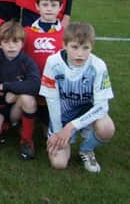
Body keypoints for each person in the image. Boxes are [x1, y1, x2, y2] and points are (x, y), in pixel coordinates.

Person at [40, 23, 115, 173]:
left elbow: (102, 106)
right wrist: (58, 131)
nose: (80, 54)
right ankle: (64, 139)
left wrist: (72, 126)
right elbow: (52, 99)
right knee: (59, 163)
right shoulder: (53, 63)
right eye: (74, 47)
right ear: (64, 45)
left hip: (88, 114)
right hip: (63, 116)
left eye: (85, 48)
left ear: (91, 47)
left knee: (107, 128)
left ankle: (86, 150)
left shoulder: (98, 66)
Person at [0, 21, 40, 160]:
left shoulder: (27, 61)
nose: (11, 46)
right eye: (6, 42)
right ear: (0, 44)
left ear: (22, 44)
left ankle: (27, 140)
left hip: (16, 107)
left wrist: (7, 86)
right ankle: (5, 126)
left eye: (15, 42)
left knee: (27, 98)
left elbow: (35, 85)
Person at [23, 0, 65, 74]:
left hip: (57, 82)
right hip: (32, 81)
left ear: (60, 7)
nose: (49, 9)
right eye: (45, 5)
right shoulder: (25, 32)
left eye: (53, 5)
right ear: (37, 6)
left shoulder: (66, 34)